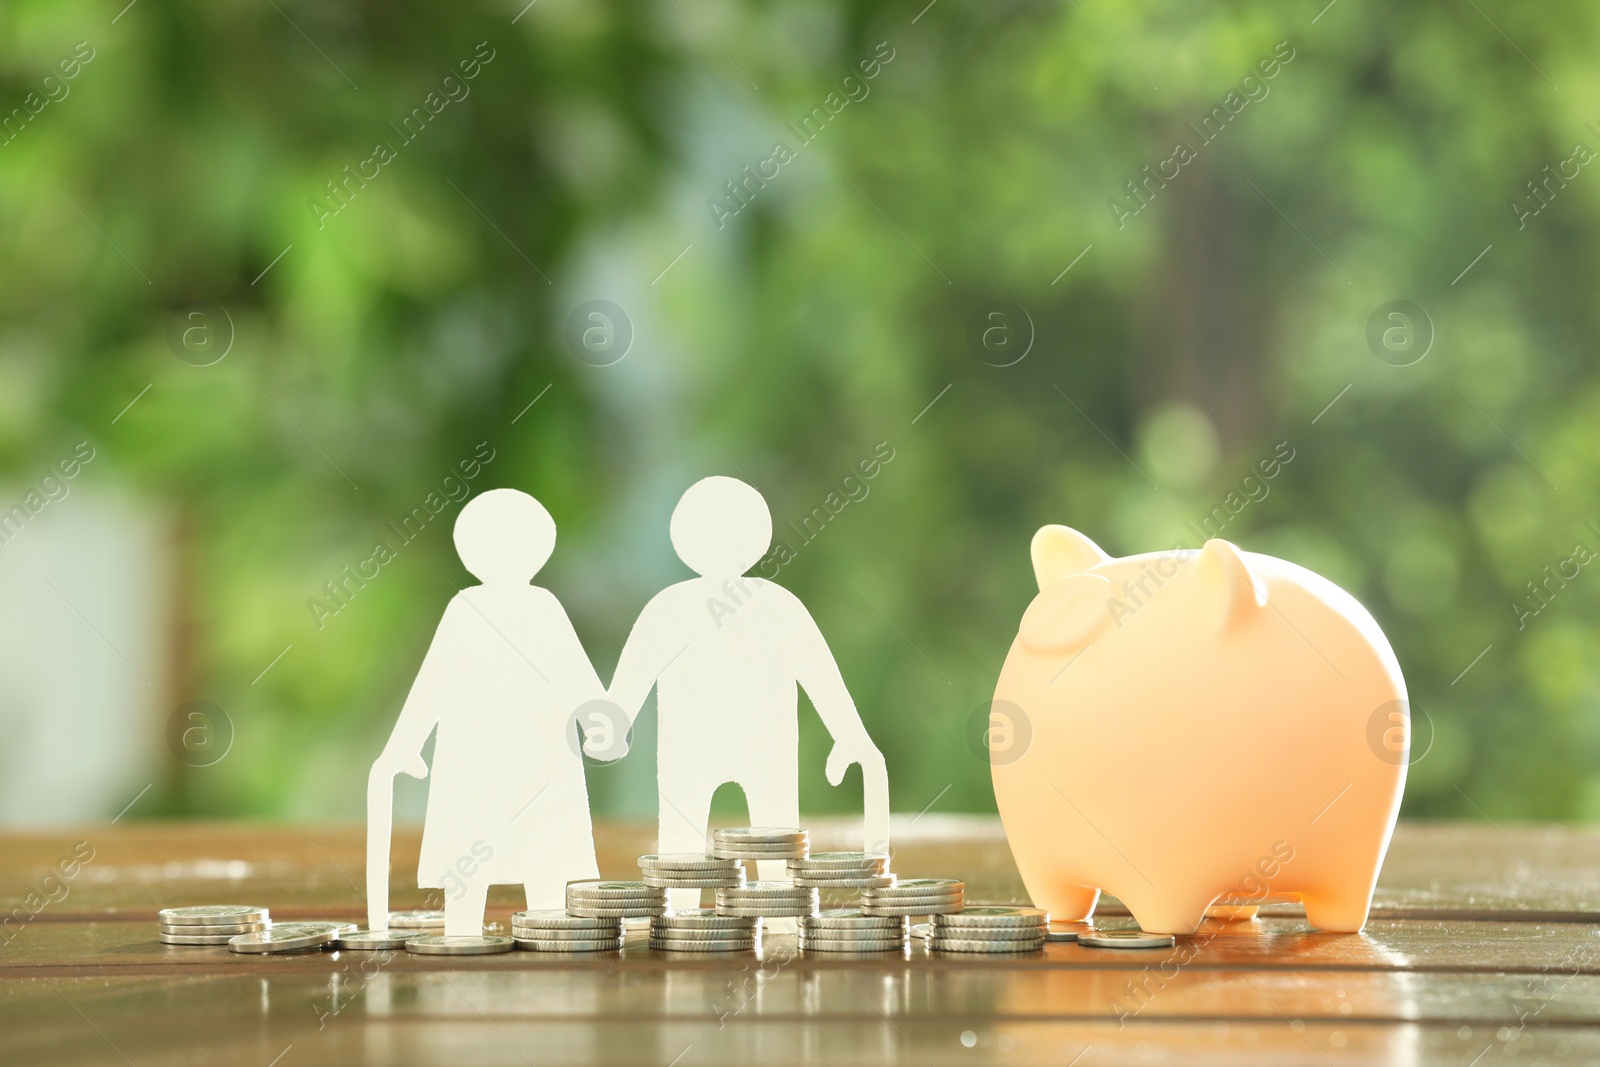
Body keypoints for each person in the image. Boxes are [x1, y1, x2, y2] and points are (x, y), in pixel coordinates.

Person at [602, 476, 888, 899]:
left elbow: (819, 673)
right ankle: (688, 919)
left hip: (750, 748)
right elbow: (629, 683)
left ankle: (769, 913)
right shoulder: (697, 608)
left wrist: (850, 734)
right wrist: (612, 722)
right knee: (683, 855)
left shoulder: (696, 607)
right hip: (700, 751)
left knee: (770, 851)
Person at [369, 488, 603, 936]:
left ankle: (542, 930)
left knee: (531, 852)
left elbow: (576, 674)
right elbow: (434, 681)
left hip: (530, 755)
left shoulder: (520, 608)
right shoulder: (476, 608)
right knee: (480, 855)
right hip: (490, 757)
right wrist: (404, 743)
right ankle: (465, 935)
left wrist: (598, 724)